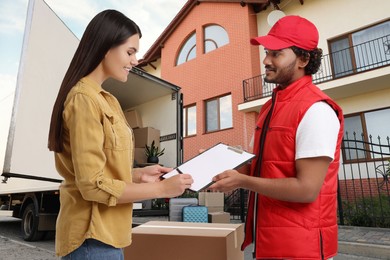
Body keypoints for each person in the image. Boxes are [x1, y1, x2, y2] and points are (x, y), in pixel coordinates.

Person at [47, 10, 193, 259]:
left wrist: (138, 175)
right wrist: (162, 190)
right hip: (91, 237)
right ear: (105, 47)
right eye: (130, 51)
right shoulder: (84, 99)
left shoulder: (109, 100)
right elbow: (92, 186)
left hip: (108, 235)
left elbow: (105, 171)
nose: (136, 59)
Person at [209, 15, 344, 260]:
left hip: (302, 250)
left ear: (304, 59)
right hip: (271, 242)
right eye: (266, 52)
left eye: (276, 53)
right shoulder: (271, 108)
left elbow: (307, 190)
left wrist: (241, 181)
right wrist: (221, 162)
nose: (266, 60)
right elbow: (267, 168)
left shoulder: (316, 110)